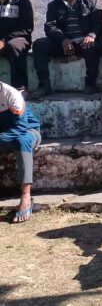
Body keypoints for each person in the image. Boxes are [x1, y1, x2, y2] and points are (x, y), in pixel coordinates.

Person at [31, 0, 102, 98]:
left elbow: (98, 23)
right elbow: (50, 26)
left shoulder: (89, 1)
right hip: (63, 43)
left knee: (92, 47)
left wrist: (91, 35)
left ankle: (90, 83)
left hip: (84, 41)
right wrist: (62, 40)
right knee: (39, 45)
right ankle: (44, 84)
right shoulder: (53, 5)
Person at [0, 81, 41, 223]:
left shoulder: (12, 94)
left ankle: (26, 197)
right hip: (3, 136)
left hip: (28, 132)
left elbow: (20, 128)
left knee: (22, 140)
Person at [0, 0, 33, 94]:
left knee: (13, 46)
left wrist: (4, 41)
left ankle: (20, 88)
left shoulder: (22, 0)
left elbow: (27, 27)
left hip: (19, 39)